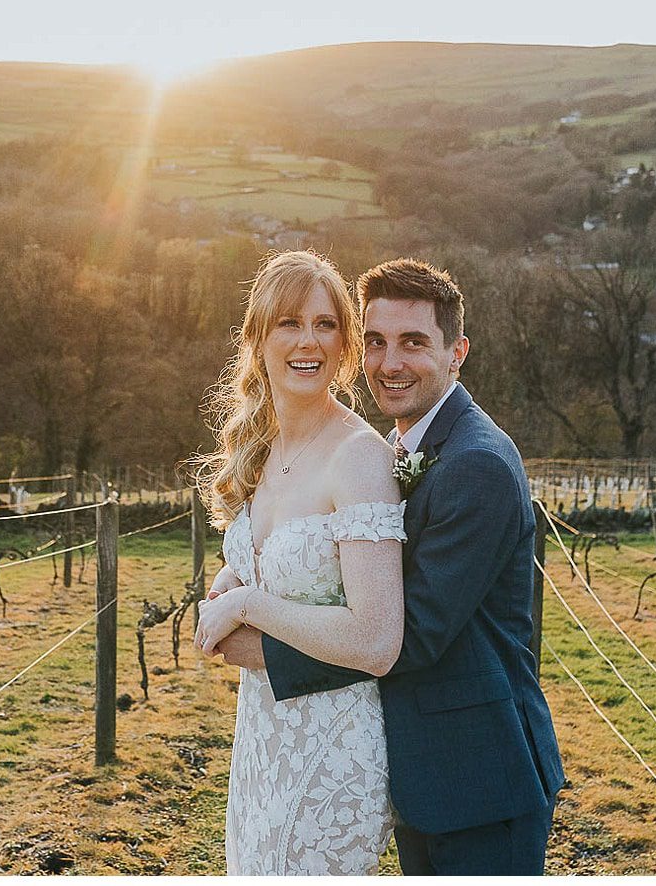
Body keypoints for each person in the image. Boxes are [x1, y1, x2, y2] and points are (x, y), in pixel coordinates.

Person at [214, 258, 565, 874]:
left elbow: (407, 636)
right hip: (415, 767)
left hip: (477, 773)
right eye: (376, 342)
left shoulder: (474, 462)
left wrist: (251, 635)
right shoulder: (410, 446)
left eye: (413, 343)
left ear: (457, 352)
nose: (389, 362)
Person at [192, 250, 405, 875]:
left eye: (325, 324)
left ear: (344, 343)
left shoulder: (359, 459)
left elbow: (376, 640)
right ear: (257, 338)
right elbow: (267, 562)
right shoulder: (265, 448)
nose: (308, 340)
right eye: (289, 323)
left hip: (332, 753)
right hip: (261, 737)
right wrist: (234, 579)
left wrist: (249, 604)